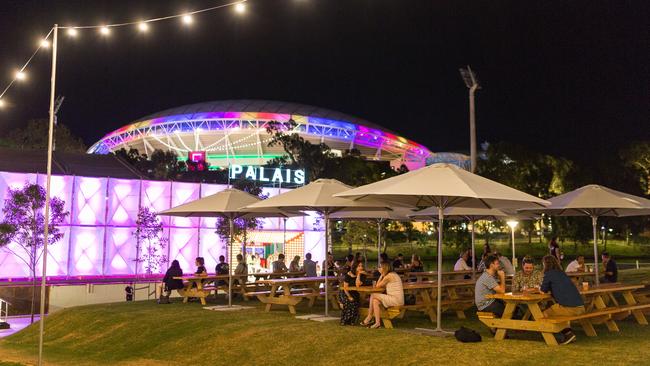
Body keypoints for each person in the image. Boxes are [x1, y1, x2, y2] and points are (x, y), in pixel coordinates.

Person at [540, 255, 585, 344]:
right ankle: (568, 333)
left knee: (543, 314)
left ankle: (566, 334)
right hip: (581, 307)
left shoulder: (549, 274)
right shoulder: (562, 273)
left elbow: (542, 291)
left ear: (545, 264)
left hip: (571, 308)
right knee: (556, 309)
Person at [361, 261, 404, 328]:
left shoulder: (389, 276)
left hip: (395, 300)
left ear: (384, 268)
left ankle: (369, 316)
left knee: (373, 295)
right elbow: (380, 286)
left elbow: (377, 286)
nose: (378, 268)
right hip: (396, 299)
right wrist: (382, 274)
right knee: (375, 301)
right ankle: (377, 323)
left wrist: (381, 275)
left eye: (380, 267)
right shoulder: (392, 274)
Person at [339, 261, 367, 325]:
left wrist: (359, 274)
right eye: (359, 266)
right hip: (345, 292)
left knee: (355, 302)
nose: (361, 267)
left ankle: (351, 320)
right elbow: (345, 287)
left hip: (354, 293)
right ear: (355, 267)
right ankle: (345, 320)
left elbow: (357, 285)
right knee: (348, 301)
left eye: (362, 266)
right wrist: (349, 296)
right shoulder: (349, 274)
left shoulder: (362, 275)